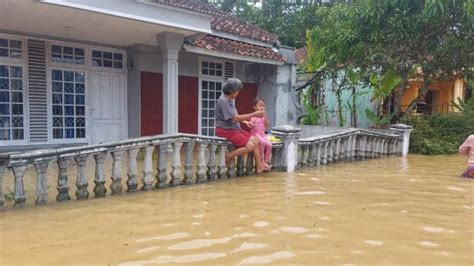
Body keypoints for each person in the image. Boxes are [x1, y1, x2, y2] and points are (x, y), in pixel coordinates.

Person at [215, 78, 266, 173]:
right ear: (231, 91)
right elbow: (235, 118)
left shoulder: (229, 100)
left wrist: (244, 122)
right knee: (250, 146)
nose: (238, 93)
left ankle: (259, 166)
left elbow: (232, 117)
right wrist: (253, 114)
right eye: (237, 91)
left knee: (255, 140)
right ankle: (229, 156)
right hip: (226, 130)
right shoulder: (224, 101)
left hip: (234, 128)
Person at [245, 98, 272, 171]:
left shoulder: (263, 117)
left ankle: (265, 162)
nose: (262, 107)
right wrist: (251, 124)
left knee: (269, 144)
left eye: (263, 106)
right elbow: (251, 124)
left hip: (262, 135)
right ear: (255, 107)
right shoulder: (253, 117)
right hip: (255, 134)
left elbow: (266, 125)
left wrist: (265, 117)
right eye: (260, 105)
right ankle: (262, 161)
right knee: (263, 142)